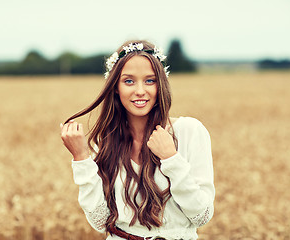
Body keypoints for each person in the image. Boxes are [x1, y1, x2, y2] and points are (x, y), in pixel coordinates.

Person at [60, 40, 215, 240]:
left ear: (161, 85)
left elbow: (202, 215)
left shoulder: (190, 131)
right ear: (115, 87)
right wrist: (81, 158)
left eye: (150, 81)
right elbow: (100, 221)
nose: (140, 90)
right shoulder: (107, 140)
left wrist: (171, 158)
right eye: (129, 81)